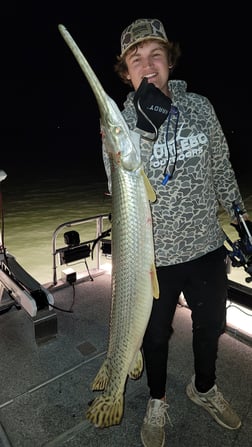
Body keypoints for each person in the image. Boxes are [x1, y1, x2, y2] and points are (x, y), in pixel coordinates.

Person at [102, 18, 251, 447]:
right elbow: (118, 186)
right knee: (153, 337)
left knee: (210, 327)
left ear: (169, 60)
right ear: (126, 72)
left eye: (155, 55)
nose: (147, 66)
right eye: (136, 60)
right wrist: (144, 133)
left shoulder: (201, 106)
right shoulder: (118, 123)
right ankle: (157, 399)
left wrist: (241, 219)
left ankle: (203, 388)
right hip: (153, 259)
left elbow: (221, 166)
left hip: (206, 246)